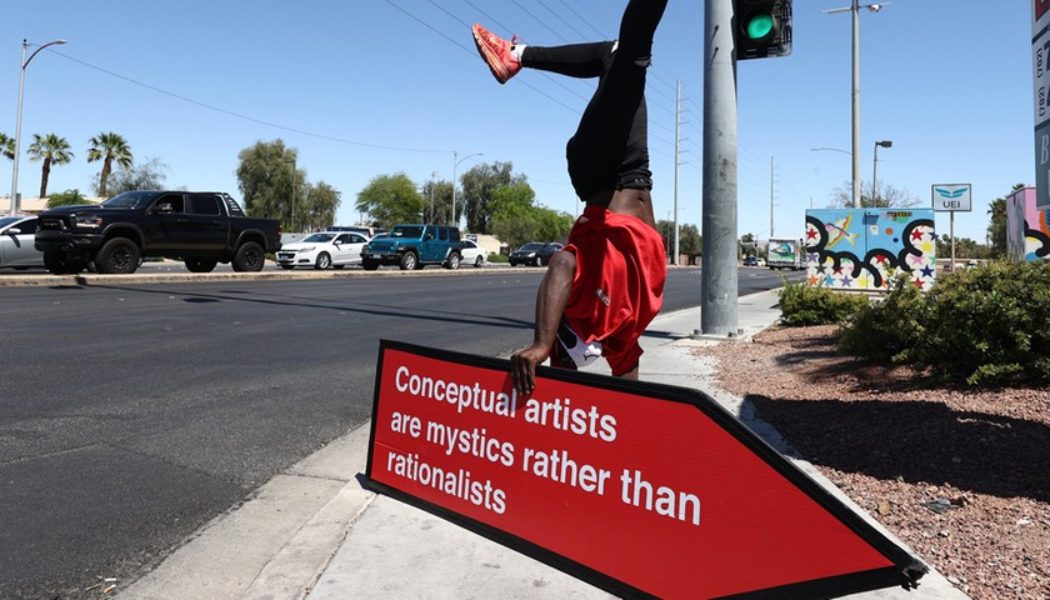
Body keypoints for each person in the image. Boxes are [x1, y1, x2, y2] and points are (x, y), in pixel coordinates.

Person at [471, 0, 669, 396]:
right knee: (618, 53)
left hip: (600, 168)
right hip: (632, 165)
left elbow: (561, 262)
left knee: (632, 51)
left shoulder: (587, 291)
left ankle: (515, 55)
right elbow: (628, 381)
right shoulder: (620, 333)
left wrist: (541, 343)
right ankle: (516, 56)